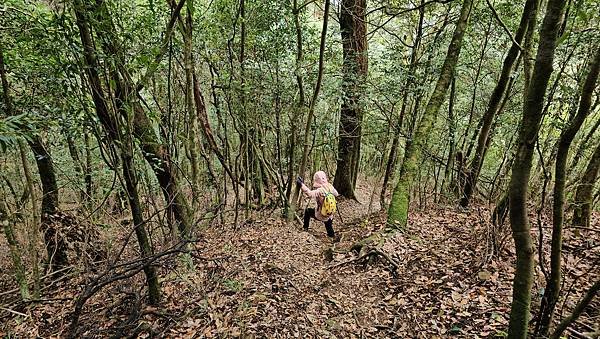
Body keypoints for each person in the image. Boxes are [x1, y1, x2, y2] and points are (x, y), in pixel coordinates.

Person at [296, 171, 340, 239]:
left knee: (307, 211)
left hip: (321, 213)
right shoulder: (330, 186)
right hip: (330, 212)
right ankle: (332, 237)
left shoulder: (320, 190)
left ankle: (305, 228)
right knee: (328, 224)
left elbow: (310, 194)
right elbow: (336, 194)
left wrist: (301, 184)